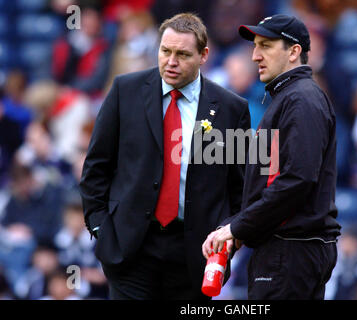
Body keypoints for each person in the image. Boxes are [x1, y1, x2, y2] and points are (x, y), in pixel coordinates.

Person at [79, 13, 250, 300]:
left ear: (203, 55)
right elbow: (96, 167)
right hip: (130, 250)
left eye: (182, 54)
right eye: (165, 51)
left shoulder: (231, 108)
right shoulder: (125, 91)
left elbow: (239, 188)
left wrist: (228, 239)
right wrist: (101, 228)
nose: (171, 62)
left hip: (195, 256)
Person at [202, 14, 341, 300]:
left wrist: (239, 226)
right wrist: (238, 229)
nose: (255, 56)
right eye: (255, 46)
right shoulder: (290, 97)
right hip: (288, 250)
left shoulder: (300, 99)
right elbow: (272, 183)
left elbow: (296, 180)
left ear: (294, 52)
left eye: (265, 45)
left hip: (290, 251)